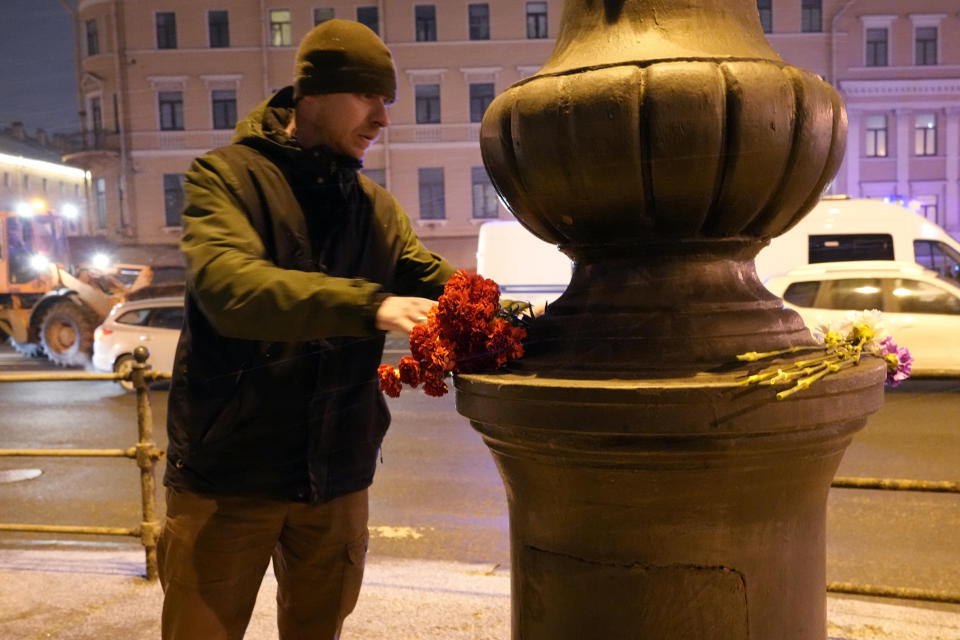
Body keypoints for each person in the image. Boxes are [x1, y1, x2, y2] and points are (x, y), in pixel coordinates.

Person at [158, 19, 456, 640]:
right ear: (311, 96)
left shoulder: (374, 208)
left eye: (387, 101)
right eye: (368, 97)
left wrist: (518, 315)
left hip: (338, 481)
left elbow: (441, 284)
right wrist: (373, 305)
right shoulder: (225, 178)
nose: (382, 118)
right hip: (228, 479)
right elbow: (229, 288)